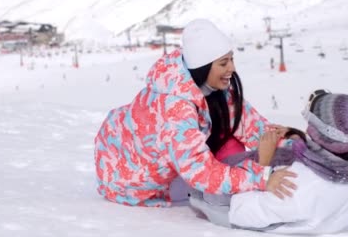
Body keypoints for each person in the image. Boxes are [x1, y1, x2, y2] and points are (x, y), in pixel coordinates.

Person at [94, 19, 297, 207]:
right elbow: (200, 172)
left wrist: (298, 147)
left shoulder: (213, 87)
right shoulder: (175, 110)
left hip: (163, 157)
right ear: (203, 67)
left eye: (231, 59)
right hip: (129, 179)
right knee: (222, 181)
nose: (232, 68)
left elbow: (255, 128)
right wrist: (260, 178)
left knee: (231, 145)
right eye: (224, 63)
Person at [189, 90, 348, 234]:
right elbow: (331, 146)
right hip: (279, 202)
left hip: (221, 205)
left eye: (311, 121)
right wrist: (299, 136)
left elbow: (241, 213)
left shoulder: (294, 185)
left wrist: (263, 164)